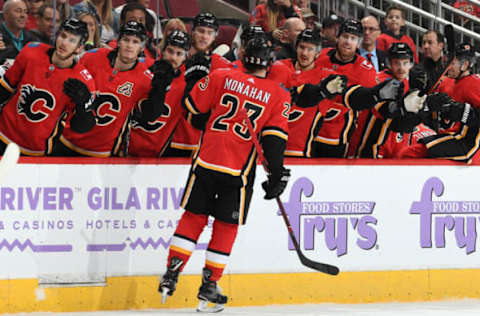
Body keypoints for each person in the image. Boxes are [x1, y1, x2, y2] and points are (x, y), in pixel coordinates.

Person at [159, 36, 290, 312]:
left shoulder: (221, 76)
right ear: (269, 63)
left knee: (193, 217)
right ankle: (209, 283)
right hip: (238, 171)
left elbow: (193, 110)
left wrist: (196, 80)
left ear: (243, 55)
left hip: (206, 160)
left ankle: (172, 273)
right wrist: (278, 174)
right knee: (226, 225)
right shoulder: (279, 94)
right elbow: (274, 140)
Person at [51, 21, 174, 157]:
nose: (129, 45)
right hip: (66, 141)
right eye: (126, 40)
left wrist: (161, 89)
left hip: (104, 153)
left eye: (135, 42)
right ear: (118, 42)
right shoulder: (91, 57)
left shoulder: (145, 78)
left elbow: (151, 115)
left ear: (141, 48)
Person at [0, 18, 96, 156]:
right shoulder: (31, 52)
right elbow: (4, 89)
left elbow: (80, 128)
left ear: (80, 48)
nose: (64, 43)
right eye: (63, 36)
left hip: (35, 150)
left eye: (72, 40)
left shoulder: (83, 81)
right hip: (3, 134)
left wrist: (83, 107)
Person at [166, 13, 233, 157]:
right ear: (193, 31)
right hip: (169, 134)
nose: (204, 36)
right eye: (201, 31)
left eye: (209, 32)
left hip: (203, 139)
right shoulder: (176, 57)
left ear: (215, 36)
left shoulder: (223, 66)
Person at [313, 19, 378, 157]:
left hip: (337, 139)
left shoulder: (366, 71)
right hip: (309, 131)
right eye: (345, 36)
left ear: (359, 43)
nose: (348, 42)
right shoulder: (320, 56)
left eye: (353, 38)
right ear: (337, 37)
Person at [126, 30, 189, 157]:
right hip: (124, 149)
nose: (173, 58)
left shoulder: (186, 85)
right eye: (170, 51)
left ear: (185, 57)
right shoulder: (142, 70)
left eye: (179, 54)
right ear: (163, 50)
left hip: (156, 156)